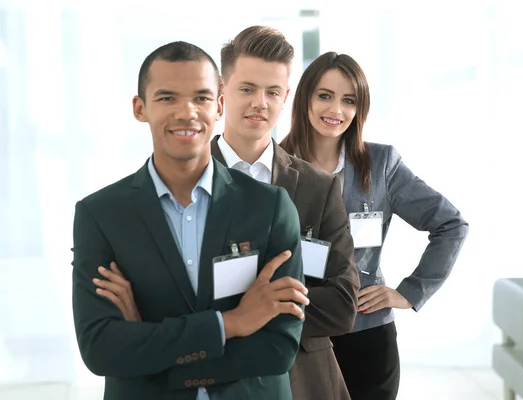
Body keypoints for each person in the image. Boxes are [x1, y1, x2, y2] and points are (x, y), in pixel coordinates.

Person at [72, 40, 310, 400]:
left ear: (218, 106)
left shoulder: (271, 206)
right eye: (167, 98)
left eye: (200, 98)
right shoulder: (100, 214)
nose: (187, 112)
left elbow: (278, 348)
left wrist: (146, 341)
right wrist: (232, 323)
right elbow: (101, 349)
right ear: (140, 108)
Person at [280, 51, 470, 400]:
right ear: (304, 97)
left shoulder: (380, 164)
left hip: (367, 333)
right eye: (325, 95)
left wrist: (410, 292)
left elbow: (451, 225)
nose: (336, 110)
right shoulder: (275, 167)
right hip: (300, 336)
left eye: (348, 100)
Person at [212, 25, 359, 400]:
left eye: (272, 92)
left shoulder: (319, 188)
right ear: (221, 91)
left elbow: (342, 304)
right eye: (247, 89)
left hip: (305, 380)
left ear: (286, 97)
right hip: (212, 376)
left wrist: (243, 312)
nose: (260, 102)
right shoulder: (184, 183)